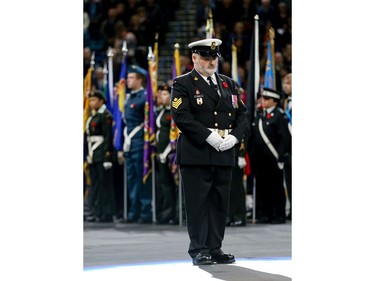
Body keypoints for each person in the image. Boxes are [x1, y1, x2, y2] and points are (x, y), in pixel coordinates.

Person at [170, 38, 248, 265]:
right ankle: (199, 249)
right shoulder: (183, 83)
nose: (211, 61)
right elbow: (181, 116)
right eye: (205, 57)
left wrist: (234, 137)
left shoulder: (228, 84)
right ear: (194, 58)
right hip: (197, 151)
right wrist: (209, 136)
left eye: (214, 57)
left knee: (219, 202)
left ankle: (215, 247)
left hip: (224, 149)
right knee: (197, 203)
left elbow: (242, 115)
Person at [249, 87, 290, 224]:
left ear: (275, 101)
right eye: (263, 98)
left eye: (267, 99)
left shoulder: (280, 115)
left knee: (276, 187)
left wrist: (282, 156)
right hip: (260, 159)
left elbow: (284, 138)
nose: (263, 101)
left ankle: (278, 214)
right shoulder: (259, 115)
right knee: (262, 187)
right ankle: (264, 214)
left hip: (273, 158)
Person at [120, 64, 152, 223]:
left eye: (132, 78)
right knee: (131, 179)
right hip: (129, 143)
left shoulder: (145, 97)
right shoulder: (128, 97)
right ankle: (134, 211)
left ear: (140, 80)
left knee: (142, 178)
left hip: (140, 143)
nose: (128, 80)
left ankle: (145, 211)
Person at [85, 90, 116, 222]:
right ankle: (97, 210)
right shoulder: (93, 116)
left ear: (101, 101)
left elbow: (108, 137)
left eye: (94, 100)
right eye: (90, 100)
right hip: (93, 154)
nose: (91, 103)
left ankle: (106, 212)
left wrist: (107, 156)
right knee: (96, 185)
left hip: (102, 154)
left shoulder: (105, 115)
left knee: (104, 185)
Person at [155, 83, 179, 225]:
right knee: (165, 185)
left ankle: (175, 214)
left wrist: (167, 152)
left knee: (173, 185)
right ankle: (166, 213)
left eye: (165, 94)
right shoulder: (162, 111)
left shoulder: (174, 112)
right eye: (161, 94)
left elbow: (174, 133)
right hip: (161, 153)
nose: (161, 97)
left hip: (171, 153)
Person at [281, 73, 292, 220]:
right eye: (285, 83)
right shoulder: (285, 101)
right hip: (289, 146)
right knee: (289, 179)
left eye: (289, 84)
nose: (285, 86)